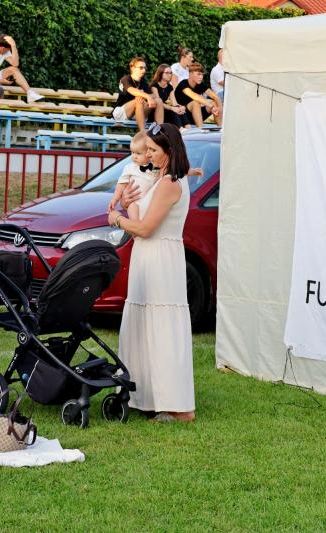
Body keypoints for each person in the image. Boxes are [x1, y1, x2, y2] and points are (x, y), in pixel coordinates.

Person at [107, 123, 195, 423]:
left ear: (169, 151)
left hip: (161, 259)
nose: (149, 155)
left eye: (154, 150)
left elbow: (145, 228)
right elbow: (140, 223)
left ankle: (178, 406)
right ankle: (145, 396)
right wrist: (127, 204)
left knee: (162, 329)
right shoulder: (158, 179)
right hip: (146, 256)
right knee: (143, 326)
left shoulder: (170, 182)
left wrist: (117, 218)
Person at [0, 35, 43, 103]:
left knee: (14, 69)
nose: (8, 51)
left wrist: (14, 46)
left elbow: (15, 64)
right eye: (8, 50)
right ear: (3, 48)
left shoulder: (4, 51)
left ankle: (30, 93)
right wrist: (1, 81)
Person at [107, 131, 157, 220]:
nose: (134, 156)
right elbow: (121, 185)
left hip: (150, 204)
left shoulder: (156, 167)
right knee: (133, 211)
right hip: (135, 203)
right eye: (132, 152)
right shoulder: (130, 168)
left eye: (138, 153)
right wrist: (114, 200)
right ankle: (135, 227)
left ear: (149, 152)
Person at [112, 57, 163, 132]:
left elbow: (153, 95)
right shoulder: (125, 79)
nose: (144, 70)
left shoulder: (143, 81)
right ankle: (142, 132)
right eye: (141, 68)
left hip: (138, 112)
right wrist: (146, 96)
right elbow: (132, 90)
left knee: (158, 101)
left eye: (145, 68)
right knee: (138, 100)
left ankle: (159, 130)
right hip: (121, 112)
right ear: (132, 68)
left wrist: (148, 97)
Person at [175, 63, 223, 128]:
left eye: (202, 74)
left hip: (196, 114)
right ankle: (200, 129)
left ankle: (221, 128)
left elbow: (215, 96)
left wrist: (219, 109)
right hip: (183, 115)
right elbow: (195, 97)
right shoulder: (183, 84)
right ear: (191, 74)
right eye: (198, 74)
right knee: (195, 103)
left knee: (214, 102)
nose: (201, 77)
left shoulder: (200, 84)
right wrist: (212, 107)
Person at [150, 63, 189, 129]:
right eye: (167, 73)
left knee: (180, 110)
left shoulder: (169, 87)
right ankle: (181, 129)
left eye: (170, 73)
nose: (169, 75)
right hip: (156, 113)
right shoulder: (154, 86)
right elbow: (159, 103)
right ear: (161, 73)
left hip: (166, 110)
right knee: (174, 111)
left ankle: (188, 128)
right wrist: (172, 108)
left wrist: (180, 107)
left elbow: (174, 103)